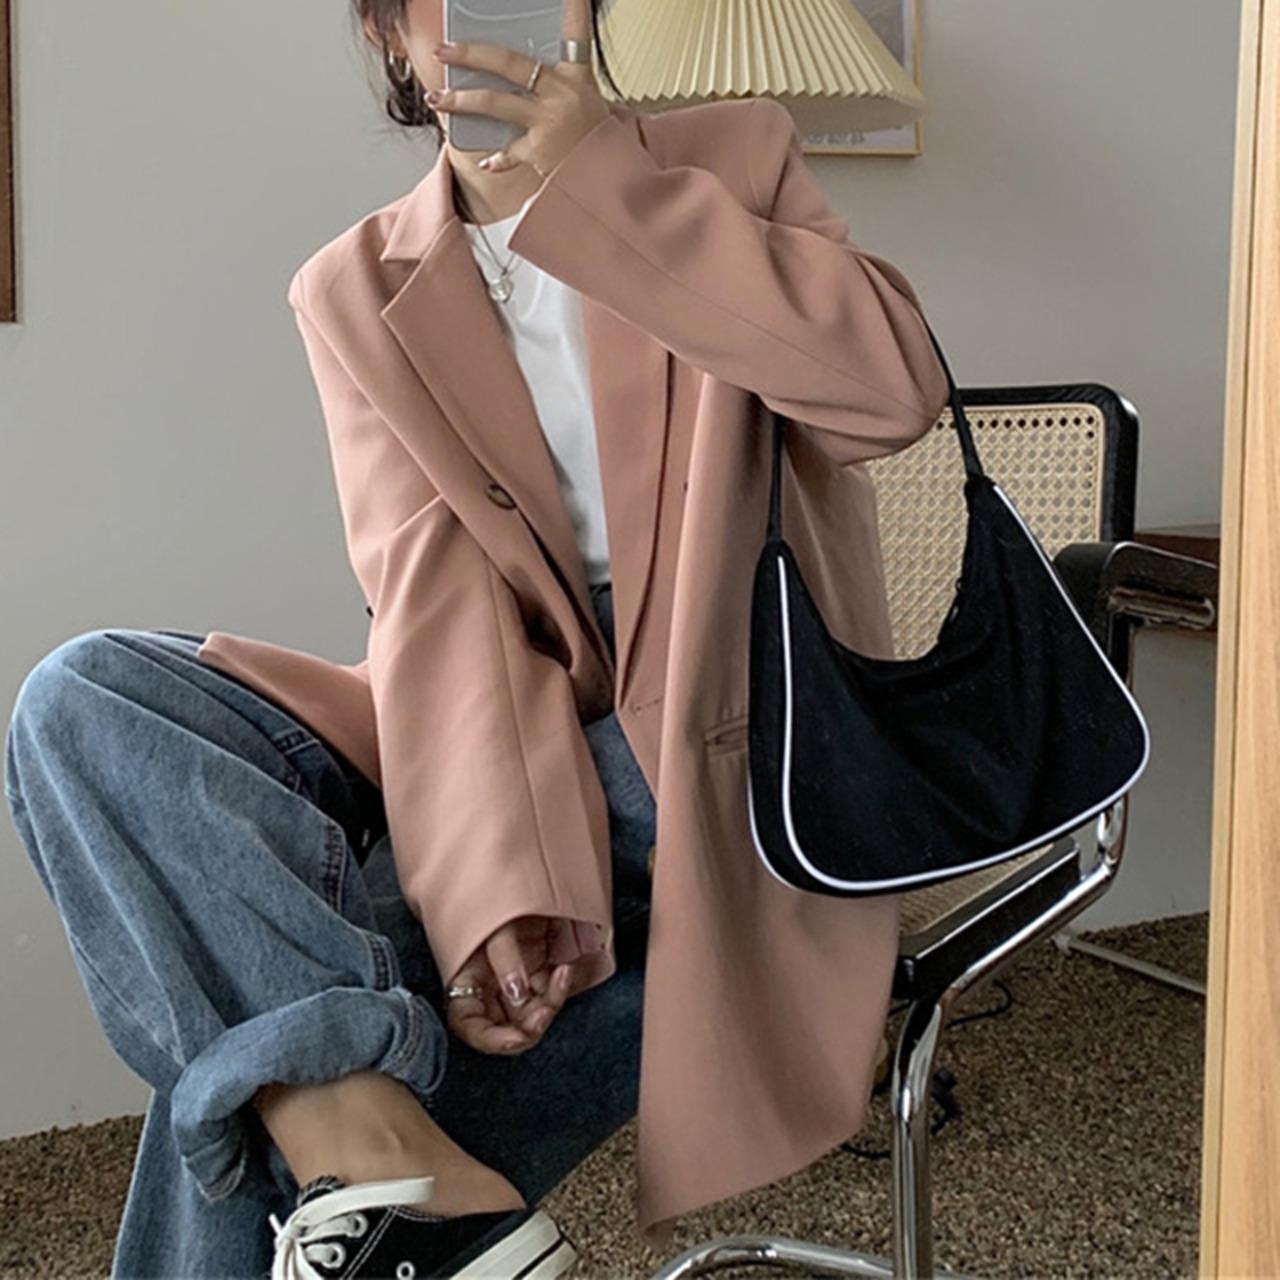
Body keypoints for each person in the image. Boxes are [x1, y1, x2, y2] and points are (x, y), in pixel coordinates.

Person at [3, 0, 950, 1276]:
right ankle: (379, 1148)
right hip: (485, 717)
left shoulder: (728, 161)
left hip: (729, 711)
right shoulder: (353, 283)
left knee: (285, 1027)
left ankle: (371, 1156)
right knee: (83, 697)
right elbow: (433, 595)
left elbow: (888, 394)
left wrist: (606, 185)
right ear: (389, 34)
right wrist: (495, 878)